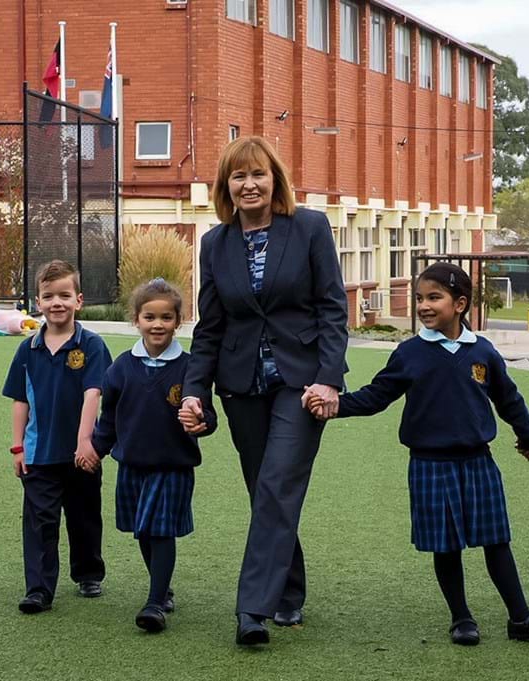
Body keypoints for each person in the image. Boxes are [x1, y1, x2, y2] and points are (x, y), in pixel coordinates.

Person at [308, 263, 529, 645]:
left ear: (460, 303)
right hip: (430, 464)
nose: (424, 306)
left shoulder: (483, 351)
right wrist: (333, 405)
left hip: (478, 461)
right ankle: (461, 618)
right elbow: (376, 396)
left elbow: (508, 399)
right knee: (445, 544)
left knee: (496, 540)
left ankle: (520, 618)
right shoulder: (409, 353)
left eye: (434, 297)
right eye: (419, 298)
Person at [178, 136, 348, 645]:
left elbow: (333, 310)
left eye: (258, 174)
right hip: (241, 386)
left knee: (276, 485)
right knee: (265, 491)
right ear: (225, 187)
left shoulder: (309, 228)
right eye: (238, 177)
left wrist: (329, 377)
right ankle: (289, 592)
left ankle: (252, 608)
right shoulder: (215, 243)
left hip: (302, 385)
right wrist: (194, 391)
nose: (249, 185)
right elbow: (210, 326)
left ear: (275, 179)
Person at [89, 278, 217, 633]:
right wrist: (95, 450)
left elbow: (209, 416)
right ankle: (164, 589)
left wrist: (201, 422)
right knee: (142, 531)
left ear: (178, 320)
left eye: (165, 317)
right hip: (132, 464)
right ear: (136, 320)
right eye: (150, 317)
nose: (157, 324)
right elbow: (110, 418)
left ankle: (155, 602)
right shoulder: (121, 367)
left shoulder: (192, 368)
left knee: (160, 531)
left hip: (172, 465)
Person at [1, 259, 112, 613]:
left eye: (65, 295)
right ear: (38, 302)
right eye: (49, 296)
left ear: (79, 300)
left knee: (84, 517)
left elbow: (93, 393)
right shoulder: (27, 350)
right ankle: (39, 588)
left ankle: (88, 573)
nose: (57, 303)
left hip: (81, 454)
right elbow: (20, 400)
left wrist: (86, 443)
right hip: (39, 454)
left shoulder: (91, 345)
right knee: (39, 522)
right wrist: (18, 446)